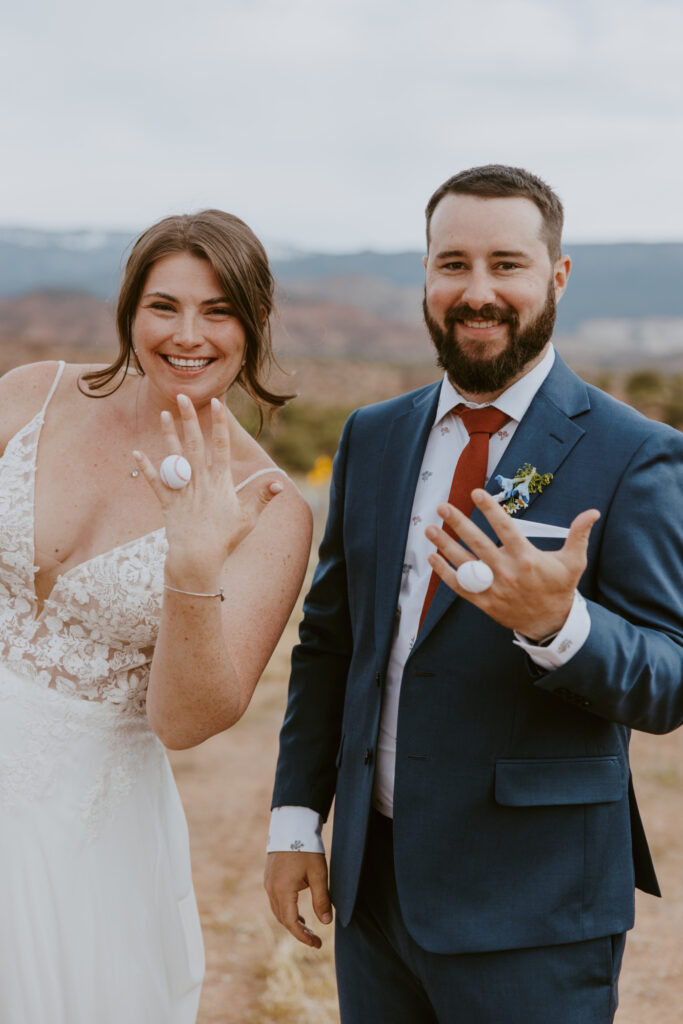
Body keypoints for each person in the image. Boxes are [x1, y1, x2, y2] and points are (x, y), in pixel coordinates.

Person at [264, 165, 683, 1023]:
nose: (477, 291)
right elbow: (329, 642)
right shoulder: (372, 437)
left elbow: (669, 676)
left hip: (535, 912)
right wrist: (297, 820)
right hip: (372, 897)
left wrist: (561, 626)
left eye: (506, 264)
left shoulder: (634, 452)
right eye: (452, 263)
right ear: (424, 275)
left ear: (555, 276)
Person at [0, 209, 312, 1023]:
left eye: (218, 311)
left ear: (254, 325)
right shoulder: (31, 395)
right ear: (129, 310)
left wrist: (192, 566)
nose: (188, 334)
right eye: (163, 305)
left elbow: (184, 719)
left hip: (82, 833)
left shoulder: (271, 509)